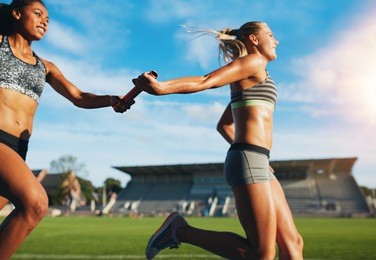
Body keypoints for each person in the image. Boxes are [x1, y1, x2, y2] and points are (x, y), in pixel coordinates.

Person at [135, 21, 304, 259]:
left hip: (259, 160)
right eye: (271, 35)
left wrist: (258, 159)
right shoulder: (252, 62)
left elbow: (224, 125)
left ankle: (179, 229)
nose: (276, 40)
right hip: (250, 158)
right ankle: (180, 231)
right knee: (261, 254)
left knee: (293, 244)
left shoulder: (257, 74)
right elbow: (207, 80)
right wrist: (161, 88)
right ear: (254, 39)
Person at [0, 0, 130, 258]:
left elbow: (79, 96)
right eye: (37, 14)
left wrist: (110, 99)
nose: (44, 21)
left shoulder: (45, 67)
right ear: (16, 13)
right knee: (36, 203)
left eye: (47, 19)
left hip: (18, 150)